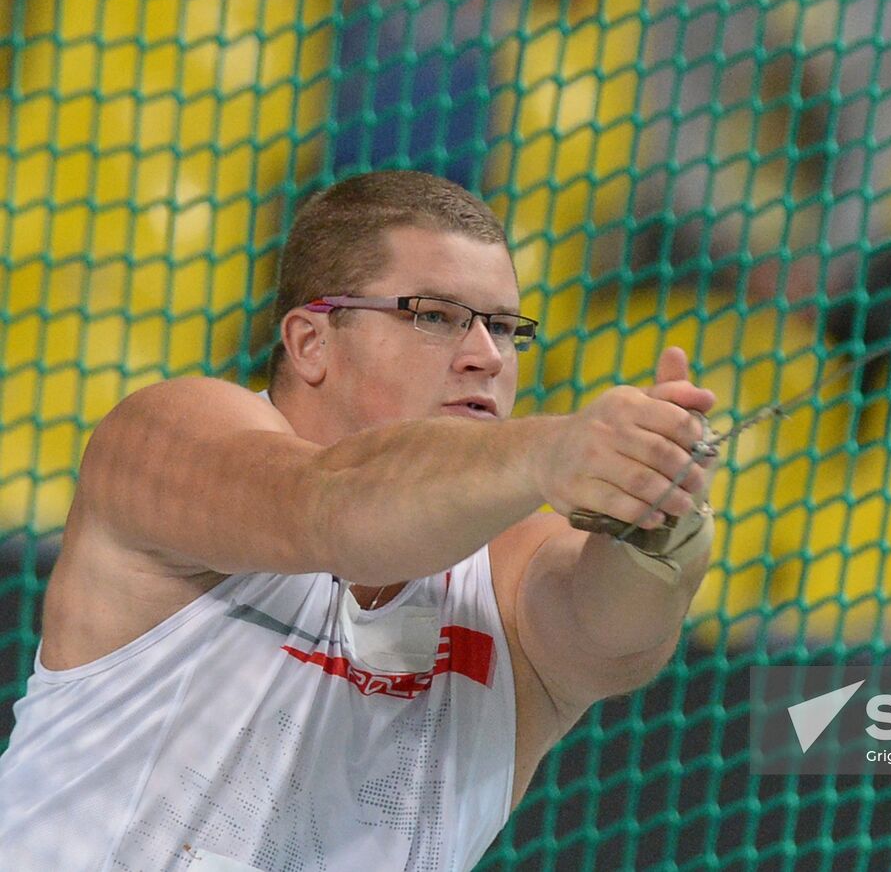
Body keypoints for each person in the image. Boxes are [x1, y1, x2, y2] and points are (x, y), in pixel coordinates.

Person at [0, 170, 717, 870]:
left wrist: (658, 524)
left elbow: (619, 632)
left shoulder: (509, 577)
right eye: (435, 316)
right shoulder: (171, 433)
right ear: (311, 342)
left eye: (504, 327)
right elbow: (333, 511)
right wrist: (550, 452)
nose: (486, 356)